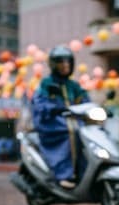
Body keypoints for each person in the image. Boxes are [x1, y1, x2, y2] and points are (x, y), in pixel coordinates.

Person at [31, 45, 90, 189]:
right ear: (53, 65)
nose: (65, 65)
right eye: (61, 62)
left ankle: (85, 173)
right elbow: (39, 104)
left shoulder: (74, 85)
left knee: (87, 134)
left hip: (73, 121)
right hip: (52, 124)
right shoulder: (46, 83)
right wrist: (54, 107)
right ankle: (64, 174)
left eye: (67, 62)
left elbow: (85, 100)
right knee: (71, 132)